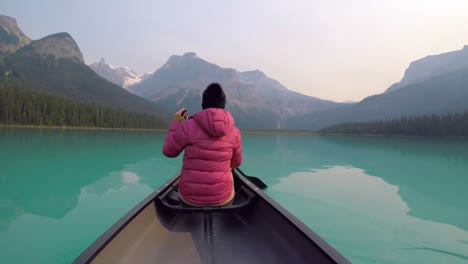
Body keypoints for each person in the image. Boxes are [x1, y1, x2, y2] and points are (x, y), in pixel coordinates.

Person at [162, 83, 242, 206]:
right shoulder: (235, 132)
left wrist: (176, 123)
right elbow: (236, 164)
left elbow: (168, 152)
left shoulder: (187, 126)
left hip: (189, 198)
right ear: (224, 105)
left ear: (203, 105)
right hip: (222, 198)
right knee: (231, 173)